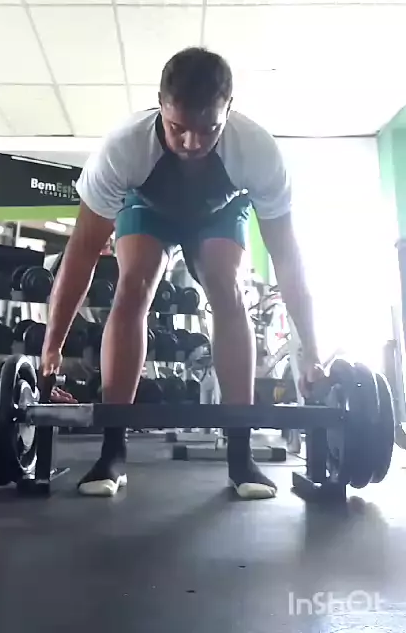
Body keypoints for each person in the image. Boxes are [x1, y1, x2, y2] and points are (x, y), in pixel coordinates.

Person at [41, 47, 324, 499]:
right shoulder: (123, 149)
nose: (192, 142)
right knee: (133, 285)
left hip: (219, 213)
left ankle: (240, 455)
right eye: (178, 128)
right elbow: (81, 255)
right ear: (160, 105)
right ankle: (112, 450)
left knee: (227, 289)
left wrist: (312, 350)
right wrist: (52, 348)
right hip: (147, 208)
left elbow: (288, 259)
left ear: (228, 110)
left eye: (209, 129)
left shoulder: (256, 151)